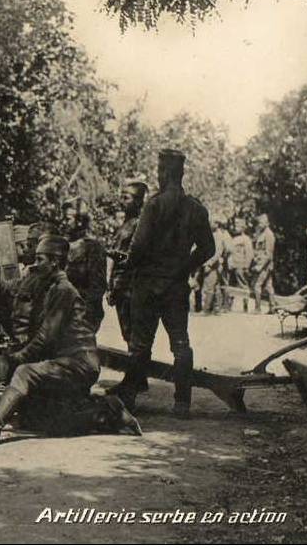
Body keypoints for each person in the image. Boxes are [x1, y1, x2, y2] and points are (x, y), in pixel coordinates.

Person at [0, 235, 140, 445]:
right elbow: (13, 291)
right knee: (44, 422)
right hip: (68, 362)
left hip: (79, 364)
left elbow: (45, 338)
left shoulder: (63, 291)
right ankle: (107, 407)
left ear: (54, 262)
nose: (36, 264)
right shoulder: (50, 286)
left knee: (25, 373)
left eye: (40, 259)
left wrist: (14, 359)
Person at [109, 148, 215, 419]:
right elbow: (208, 249)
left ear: (165, 173)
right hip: (176, 286)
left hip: (147, 285)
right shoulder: (196, 208)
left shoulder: (153, 205)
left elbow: (139, 245)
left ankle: (129, 398)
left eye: (158, 171)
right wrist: (183, 268)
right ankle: (182, 403)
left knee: (140, 344)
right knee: (180, 343)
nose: (157, 176)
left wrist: (129, 268)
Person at [107, 179, 149, 346]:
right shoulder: (126, 224)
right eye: (122, 197)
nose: (122, 202)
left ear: (138, 201)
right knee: (127, 332)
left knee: (133, 333)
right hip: (121, 284)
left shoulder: (141, 225)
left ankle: (137, 369)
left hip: (131, 285)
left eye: (127, 198)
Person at [62, 197, 107, 333]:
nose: (64, 223)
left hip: (84, 314)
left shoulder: (93, 247)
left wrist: (83, 314)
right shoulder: (61, 245)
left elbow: (97, 287)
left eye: (68, 219)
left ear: (80, 221)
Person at [226, 217, 254, 312]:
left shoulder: (246, 239)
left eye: (238, 226)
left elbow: (249, 254)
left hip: (241, 265)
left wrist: (247, 266)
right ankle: (229, 305)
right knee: (231, 285)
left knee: (243, 285)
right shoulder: (234, 238)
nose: (235, 227)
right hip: (232, 265)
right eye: (235, 225)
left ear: (243, 228)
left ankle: (245, 306)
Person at [200, 214, 226, 314]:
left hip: (213, 265)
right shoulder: (212, 234)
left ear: (216, 224)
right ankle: (216, 308)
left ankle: (206, 309)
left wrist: (209, 264)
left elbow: (218, 252)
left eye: (211, 222)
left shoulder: (218, 236)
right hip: (212, 264)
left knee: (209, 286)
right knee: (216, 286)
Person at [251, 213, 277, 314]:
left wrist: (260, 267)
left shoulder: (269, 235)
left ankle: (258, 308)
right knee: (268, 286)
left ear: (267, 223)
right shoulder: (262, 234)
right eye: (259, 222)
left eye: (262, 222)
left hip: (264, 265)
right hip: (263, 264)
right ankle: (272, 308)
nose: (260, 224)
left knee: (257, 285)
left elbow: (269, 254)